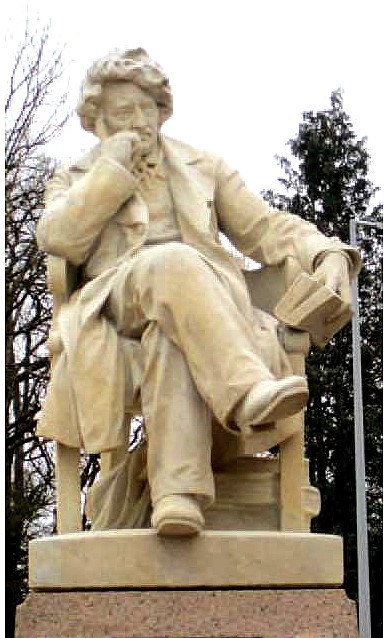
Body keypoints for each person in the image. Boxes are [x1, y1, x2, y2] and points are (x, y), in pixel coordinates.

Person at [36, 48, 360, 537]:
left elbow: (266, 227)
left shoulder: (201, 166)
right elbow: (58, 238)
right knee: (172, 260)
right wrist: (111, 173)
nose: (140, 122)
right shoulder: (75, 178)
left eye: (148, 109)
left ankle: (177, 496)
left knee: (170, 338)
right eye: (124, 113)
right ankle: (247, 391)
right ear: (97, 121)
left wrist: (327, 252)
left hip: (195, 314)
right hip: (113, 304)